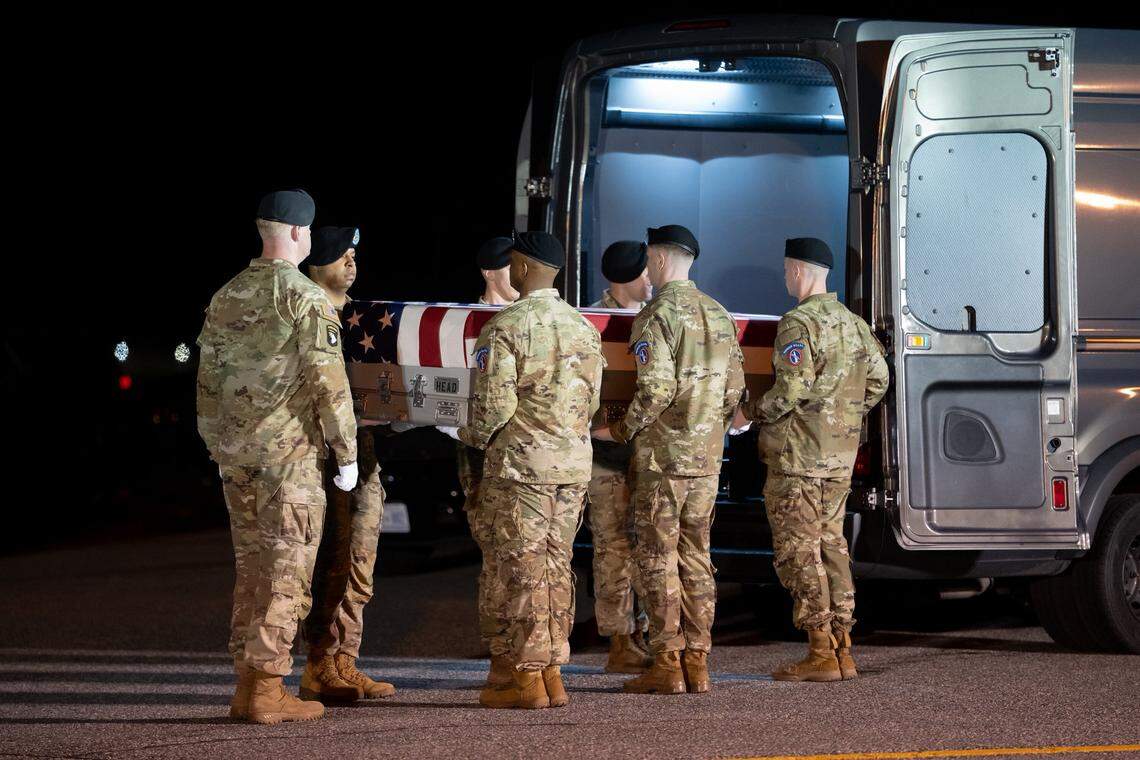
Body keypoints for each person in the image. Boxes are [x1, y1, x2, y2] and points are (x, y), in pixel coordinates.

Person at [196, 190, 357, 724]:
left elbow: (208, 383)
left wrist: (217, 443)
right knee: (286, 572)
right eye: (308, 233)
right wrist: (346, 452)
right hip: (289, 461)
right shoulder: (303, 298)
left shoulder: (226, 295)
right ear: (294, 233)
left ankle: (247, 686)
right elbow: (329, 384)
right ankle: (268, 689)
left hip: (237, 458)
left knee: (251, 571)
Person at [594, 225, 745, 695]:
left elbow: (655, 389)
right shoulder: (719, 314)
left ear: (658, 262)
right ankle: (698, 661)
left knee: (658, 557)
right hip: (706, 460)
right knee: (697, 557)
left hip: (662, 461)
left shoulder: (657, 315)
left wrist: (619, 429)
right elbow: (736, 389)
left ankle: (667, 662)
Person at [457, 231, 605, 709]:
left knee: (521, 570)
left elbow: (493, 408)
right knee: (556, 568)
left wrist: (465, 434)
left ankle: (525, 678)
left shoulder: (506, 328)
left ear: (519, 268)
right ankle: (553, 673)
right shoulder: (584, 328)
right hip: (572, 468)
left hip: (522, 469)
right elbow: (594, 402)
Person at [733, 237, 889, 683]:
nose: (786, 278)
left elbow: (789, 392)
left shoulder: (797, 324)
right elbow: (879, 379)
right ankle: (842, 646)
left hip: (797, 458)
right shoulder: (854, 324)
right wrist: (844, 416)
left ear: (799, 271)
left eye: (787, 270)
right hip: (838, 458)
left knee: (799, 551)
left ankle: (820, 649)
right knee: (832, 546)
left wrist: (749, 414)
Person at [299, 226, 395, 702]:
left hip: (366, 455)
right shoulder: (307, 311)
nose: (351, 263)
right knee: (329, 562)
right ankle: (318, 662)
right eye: (341, 255)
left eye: (355, 254)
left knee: (360, 563)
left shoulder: (363, 319)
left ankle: (345, 660)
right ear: (317, 263)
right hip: (322, 458)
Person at [589, 241, 654, 673]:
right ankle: (619, 639)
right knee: (614, 546)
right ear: (623, 277)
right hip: (606, 454)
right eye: (643, 272)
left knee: (648, 544)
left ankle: (643, 631)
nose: (651, 279)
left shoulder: (654, 318)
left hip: (646, 452)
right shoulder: (593, 321)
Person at [459, 235, 519, 689]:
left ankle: (534, 656)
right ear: (488, 272)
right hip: (482, 456)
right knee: (498, 556)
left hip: (526, 457)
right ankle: (502, 654)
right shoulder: (463, 326)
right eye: (508, 265)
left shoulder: (528, 317)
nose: (517, 272)